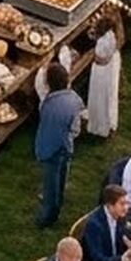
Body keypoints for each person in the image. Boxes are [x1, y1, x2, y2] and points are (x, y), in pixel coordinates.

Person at [32, 62, 84, 227]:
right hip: (66, 145)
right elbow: (76, 128)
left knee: (50, 183)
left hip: (50, 146)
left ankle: (48, 216)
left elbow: (40, 88)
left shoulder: (47, 102)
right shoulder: (74, 100)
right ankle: (58, 202)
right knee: (62, 176)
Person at [80, 184, 131, 261]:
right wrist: (121, 260)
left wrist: (127, 244)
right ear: (110, 205)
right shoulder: (94, 226)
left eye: (127, 203)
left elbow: (120, 237)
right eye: (122, 204)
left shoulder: (120, 215)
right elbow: (98, 260)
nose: (126, 208)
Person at [85, 13, 122, 138]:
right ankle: (109, 123)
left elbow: (100, 58)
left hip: (102, 72)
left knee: (100, 98)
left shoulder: (103, 42)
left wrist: (91, 56)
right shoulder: (112, 36)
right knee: (110, 97)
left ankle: (99, 127)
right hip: (110, 69)